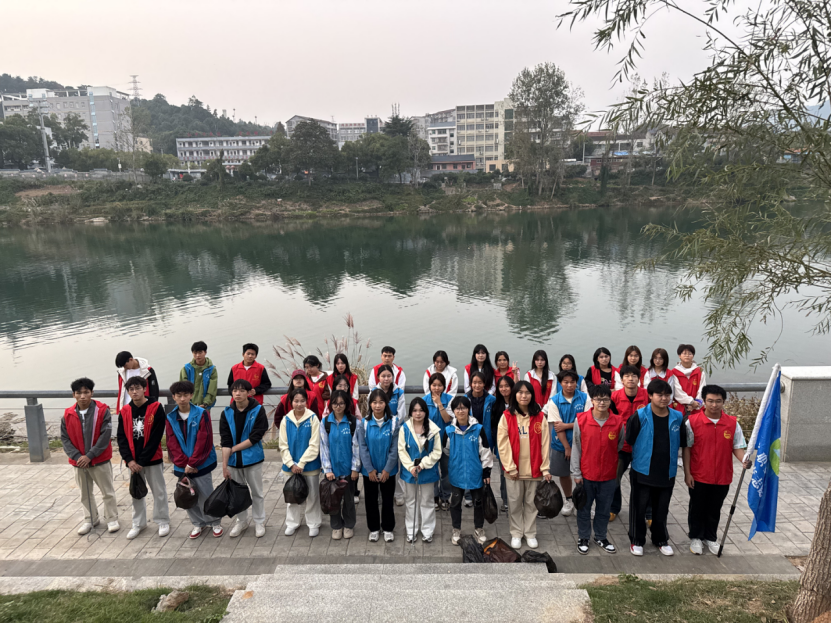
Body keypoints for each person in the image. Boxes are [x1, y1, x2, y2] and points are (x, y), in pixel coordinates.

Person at [683, 385, 751, 555]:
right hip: (699, 475)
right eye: (710, 401)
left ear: (723, 402)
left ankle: (710, 537)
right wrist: (687, 473)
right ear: (704, 401)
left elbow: (737, 447)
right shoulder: (692, 422)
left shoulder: (732, 423)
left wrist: (744, 460)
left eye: (718, 401)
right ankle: (696, 537)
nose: (714, 405)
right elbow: (687, 449)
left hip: (722, 476)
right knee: (697, 507)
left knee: (715, 508)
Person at [626, 379, 686, 557]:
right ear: (650, 396)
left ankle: (661, 539)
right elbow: (629, 439)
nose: (664, 398)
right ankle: (637, 540)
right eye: (660, 395)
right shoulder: (639, 416)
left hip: (667, 471)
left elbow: (683, 443)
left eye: (667, 395)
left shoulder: (677, 417)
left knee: (662, 508)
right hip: (642, 470)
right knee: (639, 507)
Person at [497, 380, 552, 550]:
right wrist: (510, 467)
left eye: (527, 392)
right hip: (514, 470)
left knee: (532, 503)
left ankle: (530, 533)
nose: (523, 396)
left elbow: (545, 443)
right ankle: (516, 533)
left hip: (534, 469)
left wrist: (545, 468)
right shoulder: (507, 416)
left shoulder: (540, 417)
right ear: (515, 395)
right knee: (514, 503)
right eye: (520, 392)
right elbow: (503, 444)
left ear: (532, 395)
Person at [571, 384, 625, 554]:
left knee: (604, 510)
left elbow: (619, 445)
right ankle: (583, 537)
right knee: (584, 509)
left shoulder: (618, 422)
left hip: (608, 475)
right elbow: (576, 447)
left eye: (605, 399)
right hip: (586, 475)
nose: (602, 402)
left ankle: (601, 537)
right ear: (592, 401)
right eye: (598, 399)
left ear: (610, 401)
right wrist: (576, 473)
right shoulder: (581, 420)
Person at [61, 377, 119, 535]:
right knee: (85, 493)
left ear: (92, 393)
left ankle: (112, 518)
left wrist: (90, 455)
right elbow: (65, 438)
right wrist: (77, 456)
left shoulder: (102, 410)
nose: (82, 396)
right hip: (79, 462)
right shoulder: (68, 414)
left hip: (99, 460)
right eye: (79, 393)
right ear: (73, 394)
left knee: (107, 492)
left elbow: (105, 436)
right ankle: (90, 519)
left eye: (86, 392)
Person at [165, 381, 222, 539]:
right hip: (182, 466)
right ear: (173, 397)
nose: (182, 399)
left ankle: (214, 521)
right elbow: (171, 442)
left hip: (202, 463)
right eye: (179, 395)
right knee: (187, 494)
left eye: (185, 395)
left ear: (191, 395)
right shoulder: (170, 417)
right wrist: (184, 464)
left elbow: (205, 440)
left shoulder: (202, 414)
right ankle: (198, 523)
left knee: (206, 494)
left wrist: (192, 463)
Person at [117, 376, 169, 540]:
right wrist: (129, 460)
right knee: (136, 492)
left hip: (152, 459)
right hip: (133, 462)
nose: (134, 392)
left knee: (159, 491)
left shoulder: (156, 407)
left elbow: (156, 437)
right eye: (131, 389)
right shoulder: (125, 411)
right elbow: (121, 438)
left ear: (144, 389)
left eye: (137, 388)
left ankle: (162, 520)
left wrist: (142, 461)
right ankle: (138, 523)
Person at [221, 379, 269, 538]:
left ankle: (259, 521)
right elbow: (225, 440)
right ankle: (241, 521)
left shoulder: (258, 410)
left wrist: (234, 449)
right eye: (235, 390)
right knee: (237, 493)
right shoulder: (226, 412)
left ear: (249, 393)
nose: (238, 393)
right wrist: (224, 466)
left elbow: (256, 436)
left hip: (252, 459)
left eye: (242, 390)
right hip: (233, 462)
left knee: (257, 492)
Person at [446, 395, 493, 545]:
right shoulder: (449, 431)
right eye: (457, 408)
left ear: (468, 409)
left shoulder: (478, 429)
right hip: (456, 473)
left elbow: (485, 451)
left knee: (478, 502)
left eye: (464, 408)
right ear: (453, 411)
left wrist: (486, 471)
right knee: (455, 503)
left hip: (475, 473)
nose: (461, 411)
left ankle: (479, 529)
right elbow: (446, 450)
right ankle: (456, 529)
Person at [544, 370, 591, 518]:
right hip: (561, 444)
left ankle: (583, 502)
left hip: (583, 444)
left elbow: (587, 422)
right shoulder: (554, 401)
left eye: (572, 382)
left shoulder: (585, 398)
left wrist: (567, 425)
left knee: (584, 474)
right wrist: (567, 447)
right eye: (566, 382)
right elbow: (558, 427)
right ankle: (569, 499)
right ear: (560, 383)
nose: (569, 385)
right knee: (564, 474)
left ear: (577, 383)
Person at [357, 389, 401, 542]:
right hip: (369, 471)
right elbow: (362, 448)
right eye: (374, 402)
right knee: (371, 500)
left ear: (386, 403)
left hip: (388, 471)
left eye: (381, 402)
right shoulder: (364, 423)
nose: (377, 405)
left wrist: (387, 469)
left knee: (388, 500)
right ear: (370, 404)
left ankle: (388, 528)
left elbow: (395, 449)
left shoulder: (394, 422)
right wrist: (369, 469)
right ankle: (374, 528)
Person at [279, 388, 323, 538]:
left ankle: (313, 523)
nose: (299, 404)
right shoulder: (286, 420)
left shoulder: (313, 419)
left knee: (313, 496)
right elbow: (283, 445)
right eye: (296, 401)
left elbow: (314, 444)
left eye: (302, 401)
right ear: (291, 402)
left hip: (310, 466)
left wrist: (301, 463)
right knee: (291, 495)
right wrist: (291, 464)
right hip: (290, 466)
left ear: (306, 401)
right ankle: (292, 523)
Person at [609, 365, 650, 522]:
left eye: (634, 376)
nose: (630, 379)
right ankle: (613, 508)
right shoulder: (615, 397)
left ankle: (648, 513)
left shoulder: (647, 396)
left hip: (643, 446)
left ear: (639, 379)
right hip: (621, 446)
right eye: (627, 376)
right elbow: (610, 419)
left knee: (645, 480)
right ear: (621, 379)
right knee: (614, 478)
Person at [398, 398, 442, 543]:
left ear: (426, 412)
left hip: (427, 470)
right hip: (409, 471)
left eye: (421, 410)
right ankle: (411, 530)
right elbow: (401, 450)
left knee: (427, 501)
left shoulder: (433, 429)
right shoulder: (404, 428)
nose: (418, 413)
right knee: (411, 501)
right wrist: (411, 467)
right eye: (415, 410)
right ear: (410, 412)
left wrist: (423, 464)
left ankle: (428, 531)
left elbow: (437, 451)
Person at [320, 389, 361, 540]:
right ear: (330, 404)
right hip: (333, 470)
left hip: (348, 470)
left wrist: (355, 468)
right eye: (335, 403)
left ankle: (349, 525)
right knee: (333, 499)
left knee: (349, 499)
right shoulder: (325, 423)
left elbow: (356, 447)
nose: (338, 406)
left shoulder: (354, 423)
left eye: (342, 403)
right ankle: (336, 526)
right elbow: (323, 447)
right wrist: (327, 469)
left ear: (347, 404)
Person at [424, 372, 454, 511]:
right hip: (430, 442)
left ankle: (445, 496)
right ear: (430, 386)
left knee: (446, 471)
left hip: (446, 442)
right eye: (434, 385)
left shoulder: (450, 400)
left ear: (444, 386)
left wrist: (440, 403)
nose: (436, 388)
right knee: (432, 470)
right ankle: (434, 496)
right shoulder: (424, 401)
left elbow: (447, 419)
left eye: (439, 385)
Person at [492, 375, 515, 512]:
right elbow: (494, 427)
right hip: (502, 445)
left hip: (517, 443)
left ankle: (518, 499)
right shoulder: (495, 405)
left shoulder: (518, 403)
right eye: (501, 386)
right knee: (503, 473)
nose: (504, 389)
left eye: (507, 386)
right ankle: (505, 500)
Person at [180, 341, 218, 413]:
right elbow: (182, 388)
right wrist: (188, 403)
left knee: (204, 420)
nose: (197, 355)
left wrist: (205, 403)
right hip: (188, 406)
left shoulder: (211, 369)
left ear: (205, 352)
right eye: (195, 353)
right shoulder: (186, 369)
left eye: (200, 352)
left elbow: (212, 388)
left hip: (205, 407)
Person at [672, 344, 706, 414]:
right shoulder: (674, 372)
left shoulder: (699, 371)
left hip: (697, 407)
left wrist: (697, 403)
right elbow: (677, 392)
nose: (687, 356)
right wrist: (691, 402)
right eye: (684, 354)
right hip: (680, 407)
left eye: (690, 354)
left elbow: (702, 389)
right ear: (679, 356)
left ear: (693, 356)